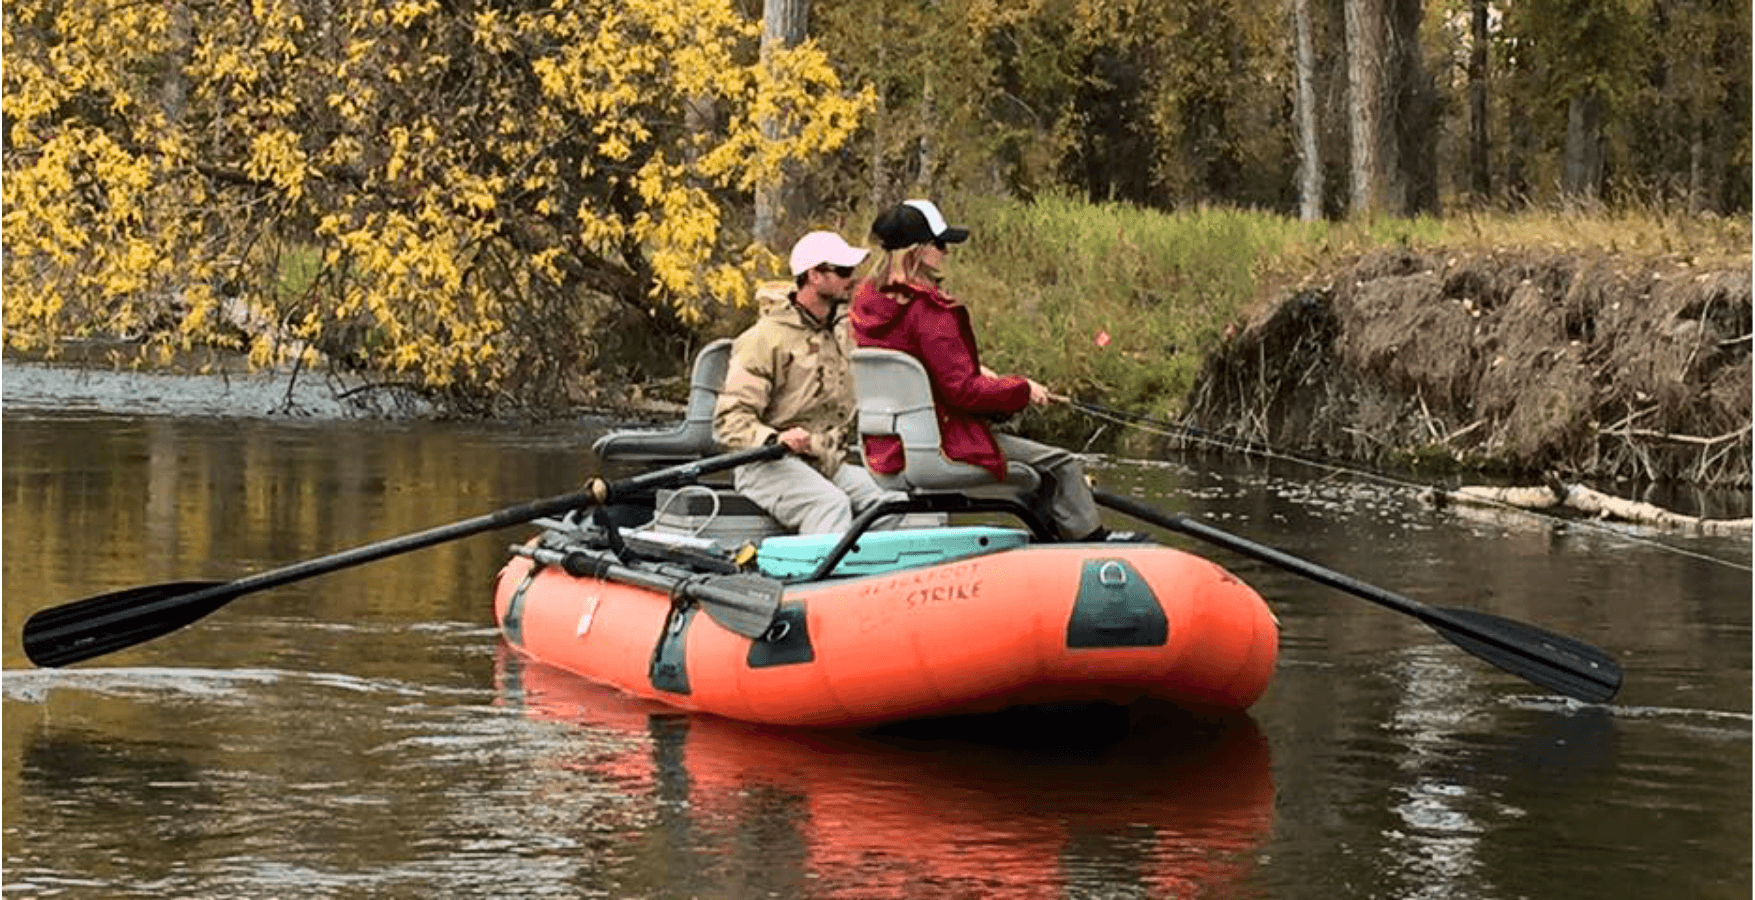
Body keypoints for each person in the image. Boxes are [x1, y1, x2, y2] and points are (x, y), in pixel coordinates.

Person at [849, 199, 1124, 542]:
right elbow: (963, 392)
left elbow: (909, 359)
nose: (946, 252)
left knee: (1040, 469)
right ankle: (1090, 547)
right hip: (942, 444)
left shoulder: (866, 304)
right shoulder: (930, 311)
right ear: (918, 250)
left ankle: (1050, 543)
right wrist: (1021, 389)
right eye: (940, 243)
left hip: (886, 451)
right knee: (1061, 464)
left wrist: (974, 368)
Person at [714, 230, 905, 534]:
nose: (851, 279)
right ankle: (822, 577)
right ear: (814, 276)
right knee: (829, 504)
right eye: (842, 271)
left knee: (892, 501)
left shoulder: (844, 332)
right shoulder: (763, 339)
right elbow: (729, 422)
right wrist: (775, 439)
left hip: (823, 462)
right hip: (765, 465)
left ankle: (867, 570)